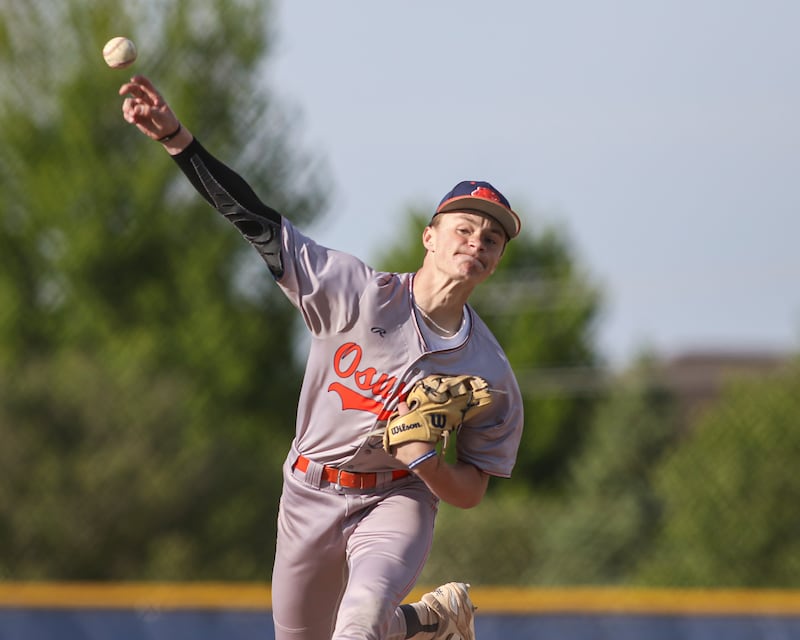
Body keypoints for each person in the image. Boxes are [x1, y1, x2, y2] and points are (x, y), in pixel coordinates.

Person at [119, 75, 524, 640]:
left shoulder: (489, 374)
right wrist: (177, 140)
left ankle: (397, 621)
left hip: (395, 498)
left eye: (491, 240)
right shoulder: (355, 292)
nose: (475, 244)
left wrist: (425, 463)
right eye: (464, 229)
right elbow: (255, 220)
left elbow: (473, 491)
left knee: (357, 625)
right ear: (430, 237)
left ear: (497, 260)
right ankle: (427, 622)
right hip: (309, 491)